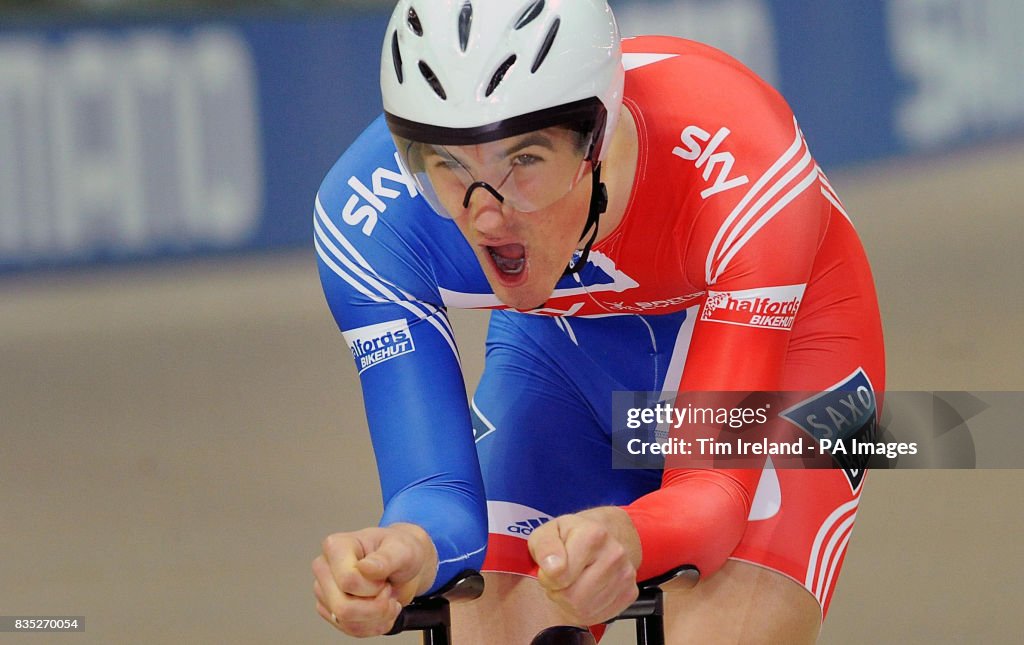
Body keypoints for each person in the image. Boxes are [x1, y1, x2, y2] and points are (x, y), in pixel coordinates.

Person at [311, 1, 885, 642]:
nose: (486, 215)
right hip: (560, 357)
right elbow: (436, 491)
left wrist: (631, 537)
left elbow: (712, 492)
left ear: (599, 140)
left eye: (523, 161)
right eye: (447, 165)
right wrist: (408, 547)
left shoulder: (747, 161)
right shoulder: (366, 222)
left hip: (793, 353)